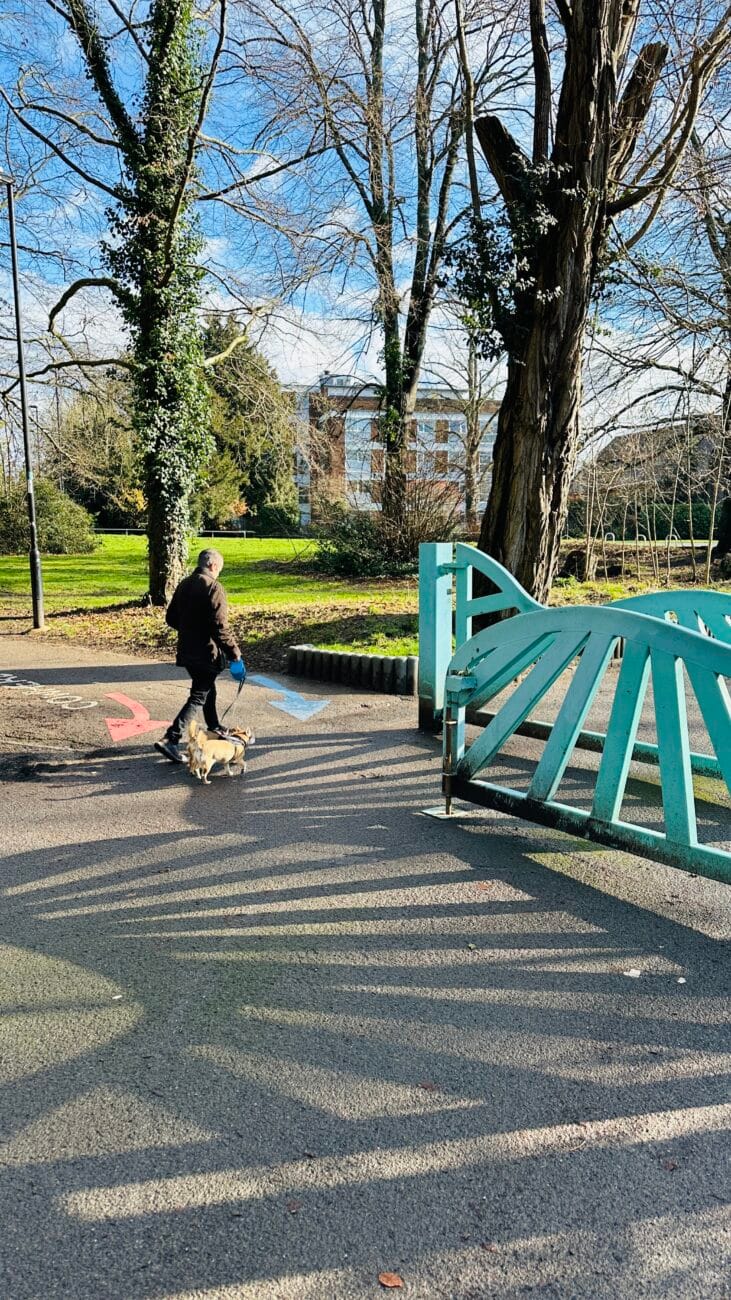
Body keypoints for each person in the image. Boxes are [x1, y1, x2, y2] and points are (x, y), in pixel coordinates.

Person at [155, 548, 244, 763]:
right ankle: (171, 738)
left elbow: (171, 618)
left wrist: (189, 629)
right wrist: (235, 655)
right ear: (213, 566)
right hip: (206, 652)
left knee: (206, 689)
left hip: (187, 650)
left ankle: (214, 726)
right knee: (198, 695)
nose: (218, 573)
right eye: (219, 569)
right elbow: (219, 627)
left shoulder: (184, 584)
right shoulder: (214, 587)